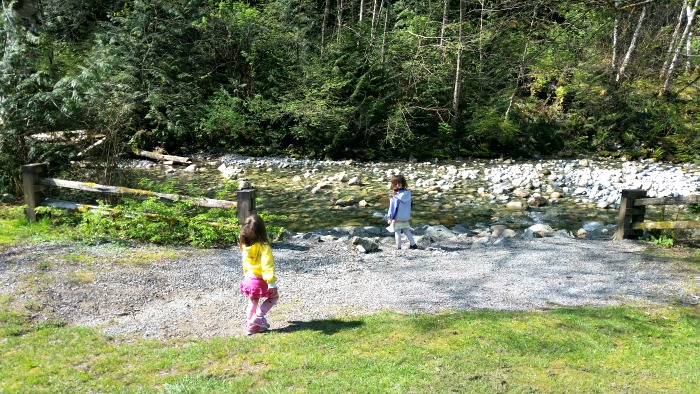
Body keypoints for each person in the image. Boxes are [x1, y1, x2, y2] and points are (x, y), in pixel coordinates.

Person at [238, 214, 279, 335]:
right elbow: (267, 264)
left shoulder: (245, 246)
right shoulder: (263, 246)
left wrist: (246, 275)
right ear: (262, 230)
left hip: (249, 278)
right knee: (273, 297)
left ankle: (251, 327)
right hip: (260, 279)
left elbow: (245, 262)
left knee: (252, 302)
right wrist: (271, 282)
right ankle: (258, 317)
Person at [387, 174, 418, 250]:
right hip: (405, 217)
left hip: (397, 218)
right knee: (406, 230)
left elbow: (392, 208)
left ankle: (398, 247)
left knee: (397, 231)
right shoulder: (408, 193)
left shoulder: (395, 197)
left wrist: (390, 218)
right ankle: (413, 244)